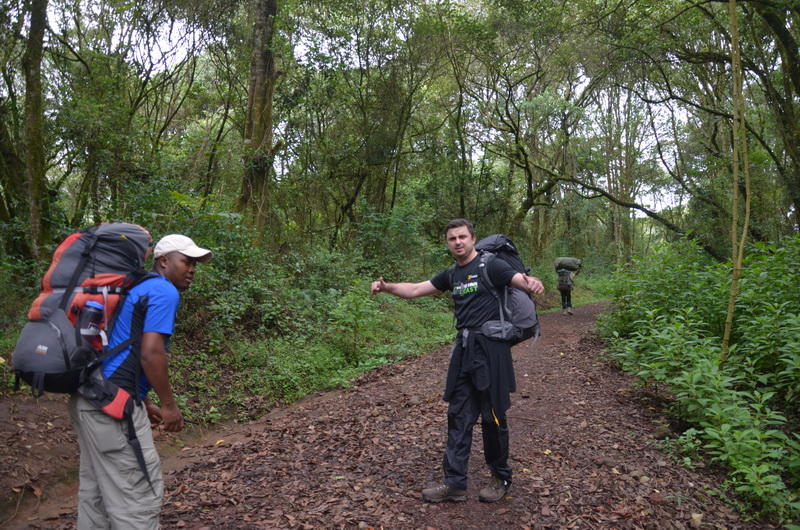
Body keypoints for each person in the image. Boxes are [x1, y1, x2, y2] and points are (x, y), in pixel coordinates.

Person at [371, 219, 543, 504]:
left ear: (473, 238)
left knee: (493, 417)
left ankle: (500, 477)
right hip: (464, 351)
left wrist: (530, 282)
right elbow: (415, 290)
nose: (458, 242)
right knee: (458, 417)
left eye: (462, 237)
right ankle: (454, 483)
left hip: (493, 351)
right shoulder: (452, 274)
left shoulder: (492, 266)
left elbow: (516, 279)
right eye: (452, 239)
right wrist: (387, 287)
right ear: (448, 243)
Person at [68, 234, 212, 529]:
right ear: (163, 261)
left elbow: (123, 347)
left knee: (95, 497)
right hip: (112, 407)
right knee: (138, 498)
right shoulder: (163, 291)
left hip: (91, 397)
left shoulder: (139, 287)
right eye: (185, 261)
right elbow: (151, 354)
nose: (192, 269)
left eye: (194, 263)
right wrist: (170, 406)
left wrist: (143, 399)